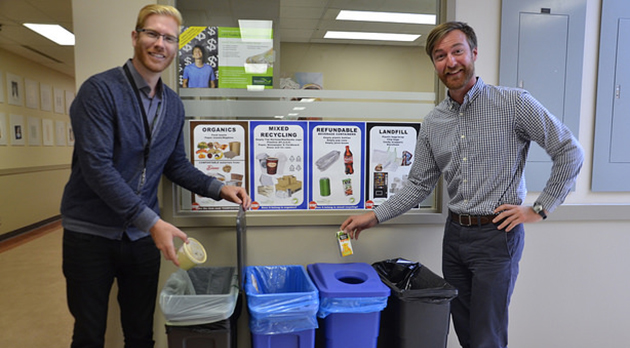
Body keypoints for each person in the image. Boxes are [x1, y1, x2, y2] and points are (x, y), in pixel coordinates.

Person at [340, 21, 584, 348]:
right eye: (440, 56)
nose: (450, 62)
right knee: (466, 332)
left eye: (457, 51)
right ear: (434, 64)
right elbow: (418, 185)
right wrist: (374, 216)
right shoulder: (433, 122)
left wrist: (539, 209)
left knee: (487, 336)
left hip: (497, 237)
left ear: (474, 53)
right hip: (454, 236)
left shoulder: (514, 103)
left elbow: (569, 151)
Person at [60, 5, 251, 348]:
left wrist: (221, 189)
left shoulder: (173, 106)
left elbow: (175, 165)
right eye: (152, 33)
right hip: (90, 235)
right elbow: (97, 167)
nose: (159, 43)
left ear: (176, 47)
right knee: (88, 334)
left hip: (140, 238)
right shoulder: (99, 91)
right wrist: (152, 222)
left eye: (168, 38)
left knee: (140, 333)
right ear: (135, 37)